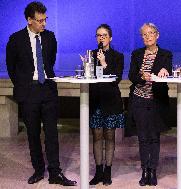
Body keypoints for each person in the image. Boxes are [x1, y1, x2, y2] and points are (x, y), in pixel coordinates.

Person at [6, 1, 76, 186]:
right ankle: (38, 170)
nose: (44, 24)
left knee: (52, 133)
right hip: (29, 92)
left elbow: (50, 61)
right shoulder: (15, 39)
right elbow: (11, 67)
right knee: (33, 133)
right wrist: (24, 85)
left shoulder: (50, 37)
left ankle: (55, 172)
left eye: (45, 19)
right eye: (39, 20)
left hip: (48, 90)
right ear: (29, 20)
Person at [128, 23, 172, 186]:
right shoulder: (137, 54)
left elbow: (167, 71)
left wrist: (162, 73)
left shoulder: (166, 54)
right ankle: (144, 170)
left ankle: (153, 170)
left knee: (154, 137)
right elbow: (132, 75)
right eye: (144, 34)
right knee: (143, 137)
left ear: (157, 35)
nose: (147, 37)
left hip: (156, 100)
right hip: (139, 100)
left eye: (150, 33)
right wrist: (142, 77)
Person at [89, 24, 125, 186]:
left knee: (109, 135)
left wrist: (104, 63)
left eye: (104, 35)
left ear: (110, 38)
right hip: (95, 100)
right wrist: (87, 66)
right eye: (98, 35)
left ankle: (108, 171)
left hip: (111, 101)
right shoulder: (91, 54)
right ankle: (98, 171)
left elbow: (116, 79)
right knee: (96, 136)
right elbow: (89, 78)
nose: (101, 38)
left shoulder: (118, 56)